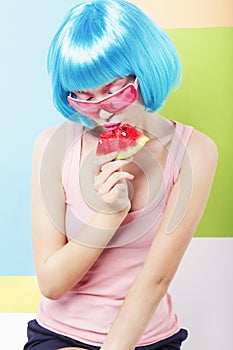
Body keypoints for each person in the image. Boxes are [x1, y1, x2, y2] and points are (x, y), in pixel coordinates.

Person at [23, 0, 218, 349]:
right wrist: (109, 213)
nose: (103, 114)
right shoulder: (51, 147)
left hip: (148, 337)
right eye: (84, 98)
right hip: (62, 334)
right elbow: (51, 283)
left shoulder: (195, 151)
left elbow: (155, 281)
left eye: (114, 92)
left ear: (146, 70)